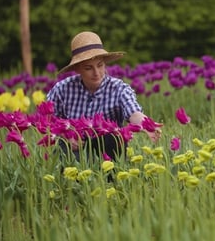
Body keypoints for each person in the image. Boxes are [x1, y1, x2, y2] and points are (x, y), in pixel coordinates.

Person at [47, 31, 161, 162]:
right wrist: (64, 135)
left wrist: (147, 125)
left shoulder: (119, 88)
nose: (96, 73)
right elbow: (48, 120)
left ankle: (111, 180)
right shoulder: (62, 89)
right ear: (77, 69)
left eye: (100, 65)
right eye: (88, 68)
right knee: (63, 154)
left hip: (108, 149)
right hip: (74, 146)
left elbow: (133, 112)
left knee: (112, 138)